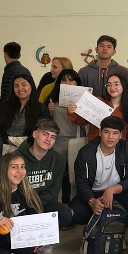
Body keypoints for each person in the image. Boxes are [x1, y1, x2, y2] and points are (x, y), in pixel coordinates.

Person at [71, 116, 128, 227]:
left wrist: (111, 190)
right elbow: (81, 183)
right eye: (106, 132)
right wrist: (92, 201)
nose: (110, 137)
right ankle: (104, 220)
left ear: (120, 135)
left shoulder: (127, 149)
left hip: (117, 192)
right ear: (100, 132)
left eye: (115, 133)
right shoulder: (86, 153)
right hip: (94, 193)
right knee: (76, 212)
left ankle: (120, 223)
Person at [16, 120, 73, 229]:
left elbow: (53, 192)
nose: (48, 139)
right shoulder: (16, 157)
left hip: (44, 204)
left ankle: (47, 236)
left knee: (65, 213)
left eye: (53, 137)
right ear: (34, 134)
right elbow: (13, 190)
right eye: (45, 134)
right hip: (21, 204)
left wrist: (37, 209)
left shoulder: (58, 160)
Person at [68, 74, 128, 152]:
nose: (112, 87)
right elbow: (81, 120)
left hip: (118, 150)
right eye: (109, 84)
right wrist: (72, 112)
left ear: (124, 86)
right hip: (95, 147)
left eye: (116, 84)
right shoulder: (98, 101)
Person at [44, 69, 83, 203]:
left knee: (74, 177)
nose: (67, 83)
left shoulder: (84, 100)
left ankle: (73, 204)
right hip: (57, 143)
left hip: (76, 142)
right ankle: (57, 203)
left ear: (77, 83)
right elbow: (44, 122)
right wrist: (48, 111)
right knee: (57, 176)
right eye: (64, 80)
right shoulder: (53, 99)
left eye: (71, 80)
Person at [0, 74, 50, 148]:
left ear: (31, 86)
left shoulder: (41, 108)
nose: (20, 88)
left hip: (30, 147)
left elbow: (45, 129)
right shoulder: (4, 105)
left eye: (24, 85)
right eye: (16, 86)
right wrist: (6, 139)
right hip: (4, 145)